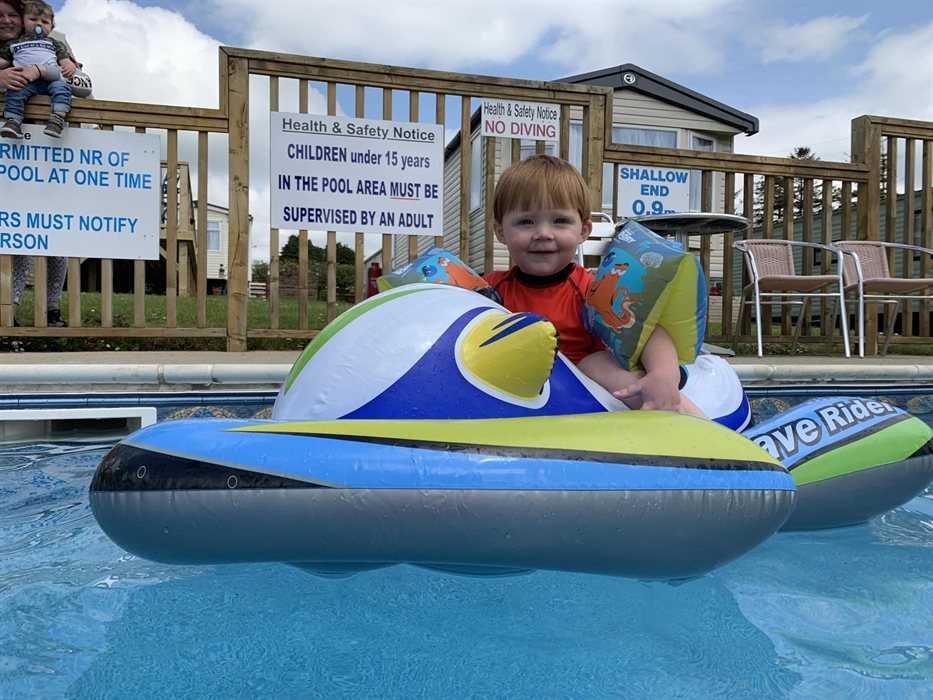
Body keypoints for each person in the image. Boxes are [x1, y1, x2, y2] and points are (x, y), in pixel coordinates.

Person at [483, 155, 706, 417]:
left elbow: (646, 331)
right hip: (518, 371)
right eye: (525, 222)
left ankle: (712, 436)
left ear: (583, 231)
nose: (543, 233)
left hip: (582, 365)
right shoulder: (489, 290)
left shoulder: (594, 288)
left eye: (560, 221)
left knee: (620, 378)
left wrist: (663, 375)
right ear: (500, 231)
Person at [0, 0, 67, 326]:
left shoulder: (53, 42)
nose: (7, 20)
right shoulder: (9, 50)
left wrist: (39, 70)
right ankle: (7, 309)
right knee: (13, 236)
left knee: (47, 236)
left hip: (40, 154)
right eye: (0, 15)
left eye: (13, 13)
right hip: (7, 155)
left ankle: (46, 309)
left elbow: (81, 82)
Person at [0, 0, 75, 138]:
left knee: (61, 88)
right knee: (16, 91)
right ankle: (13, 121)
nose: (39, 24)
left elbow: (75, 76)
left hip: (49, 86)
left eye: (12, 15)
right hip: (25, 83)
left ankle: (57, 119)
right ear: (25, 21)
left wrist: (43, 70)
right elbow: (2, 61)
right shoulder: (13, 45)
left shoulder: (54, 42)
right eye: (33, 19)